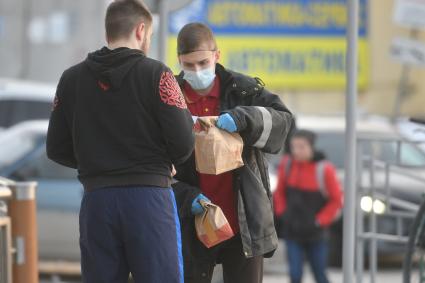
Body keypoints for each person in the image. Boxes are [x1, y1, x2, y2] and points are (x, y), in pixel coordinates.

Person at [46, 1, 194, 282]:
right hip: (149, 199)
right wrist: (164, 161)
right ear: (141, 30)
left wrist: (98, 161)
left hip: (97, 200)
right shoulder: (157, 74)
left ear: (109, 31)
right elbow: (184, 142)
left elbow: (56, 148)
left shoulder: (71, 79)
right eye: (149, 35)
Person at [171, 22, 294, 283]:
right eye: (189, 65)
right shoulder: (169, 97)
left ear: (217, 55)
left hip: (243, 223)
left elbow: (284, 123)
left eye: (203, 63)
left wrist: (244, 119)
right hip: (192, 220)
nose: (196, 71)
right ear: (179, 61)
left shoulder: (244, 90)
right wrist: (184, 196)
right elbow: (151, 159)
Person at [273, 129, 343, 283]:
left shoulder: (324, 169)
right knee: (295, 275)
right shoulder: (287, 164)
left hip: (316, 234)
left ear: (312, 147)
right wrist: (283, 212)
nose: (296, 151)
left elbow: (337, 200)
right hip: (293, 232)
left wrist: (319, 221)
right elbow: (279, 193)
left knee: (320, 274)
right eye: (294, 146)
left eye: (301, 146)